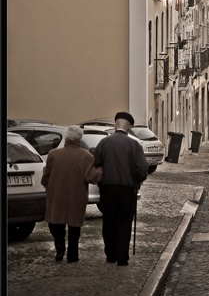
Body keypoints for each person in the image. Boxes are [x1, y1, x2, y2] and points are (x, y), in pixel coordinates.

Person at [41, 125, 103, 263]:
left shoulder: (53, 154)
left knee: (55, 222)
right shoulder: (86, 156)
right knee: (74, 226)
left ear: (66, 137)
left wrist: (46, 184)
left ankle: (60, 248)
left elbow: (47, 174)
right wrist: (100, 170)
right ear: (80, 138)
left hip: (57, 193)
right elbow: (91, 178)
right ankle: (72, 255)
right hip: (76, 194)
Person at [93, 111, 148, 266]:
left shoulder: (104, 143)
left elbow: (97, 164)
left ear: (115, 124)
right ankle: (122, 257)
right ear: (129, 127)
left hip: (107, 189)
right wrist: (137, 181)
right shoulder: (134, 145)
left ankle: (110, 254)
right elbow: (142, 169)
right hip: (127, 190)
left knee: (109, 221)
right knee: (124, 223)